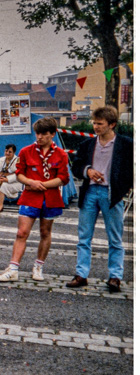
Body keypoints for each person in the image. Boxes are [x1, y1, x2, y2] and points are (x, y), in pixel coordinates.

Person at [0, 118, 70, 283]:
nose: (39, 137)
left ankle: (38, 266)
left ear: (52, 134)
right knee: (21, 232)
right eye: (37, 133)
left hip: (50, 198)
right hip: (30, 197)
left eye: (44, 134)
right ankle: (13, 269)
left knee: (45, 232)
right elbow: (19, 174)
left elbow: (64, 178)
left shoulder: (61, 154)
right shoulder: (26, 151)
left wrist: (42, 185)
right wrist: (30, 182)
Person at [67, 106, 133, 293]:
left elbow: (131, 170)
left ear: (112, 124)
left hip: (111, 193)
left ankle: (115, 276)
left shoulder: (126, 144)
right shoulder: (87, 144)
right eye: (94, 123)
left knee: (115, 238)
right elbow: (76, 166)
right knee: (84, 237)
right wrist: (87, 170)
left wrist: (122, 188)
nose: (95, 127)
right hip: (90, 192)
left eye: (100, 124)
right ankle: (81, 274)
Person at [0, 144, 23, 213]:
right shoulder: (1, 160)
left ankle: (1, 205)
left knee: (2, 185)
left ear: (14, 153)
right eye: (6, 151)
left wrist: (7, 179)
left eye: (10, 152)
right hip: (2, 180)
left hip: (15, 183)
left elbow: (18, 174)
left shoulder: (18, 160)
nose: (7, 153)